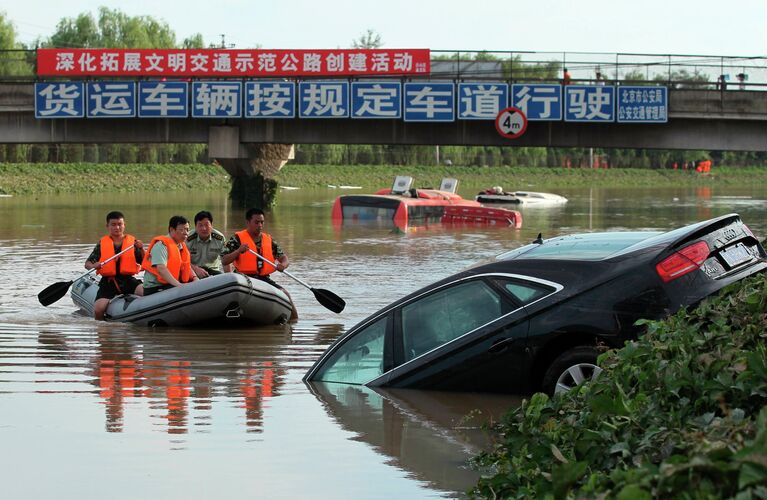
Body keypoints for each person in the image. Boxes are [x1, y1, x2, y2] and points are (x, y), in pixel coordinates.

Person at [221, 207, 298, 321]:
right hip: (243, 279)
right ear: (248, 222)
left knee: (285, 294)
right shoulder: (237, 239)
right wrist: (238, 251)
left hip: (263, 278)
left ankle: (294, 321)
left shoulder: (269, 239)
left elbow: (284, 258)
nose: (260, 225)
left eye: (262, 222)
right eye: (256, 222)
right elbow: (224, 260)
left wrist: (283, 265)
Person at [84, 211, 145, 321]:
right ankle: (102, 330)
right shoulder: (102, 244)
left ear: (124, 225)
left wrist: (141, 249)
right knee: (98, 309)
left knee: (145, 292)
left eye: (119, 224)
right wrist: (94, 266)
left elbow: (144, 262)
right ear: (107, 226)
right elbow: (87, 264)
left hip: (127, 280)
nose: (117, 227)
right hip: (108, 283)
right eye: (113, 224)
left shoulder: (133, 243)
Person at [141, 215, 199, 295]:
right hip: (156, 287)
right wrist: (179, 285)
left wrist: (195, 278)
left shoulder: (181, 246)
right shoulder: (161, 245)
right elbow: (161, 268)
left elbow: (186, 266)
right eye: (182, 230)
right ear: (172, 230)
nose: (186, 233)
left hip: (170, 284)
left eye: (187, 230)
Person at [187, 210, 230, 278]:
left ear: (212, 225)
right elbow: (181, 260)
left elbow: (225, 261)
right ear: (195, 227)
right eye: (200, 225)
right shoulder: (187, 239)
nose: (204, 228)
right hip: (192, 270)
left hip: (213, 271)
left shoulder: (219, 238)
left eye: (207, 225)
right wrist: (195, 269)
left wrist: (229, 278)